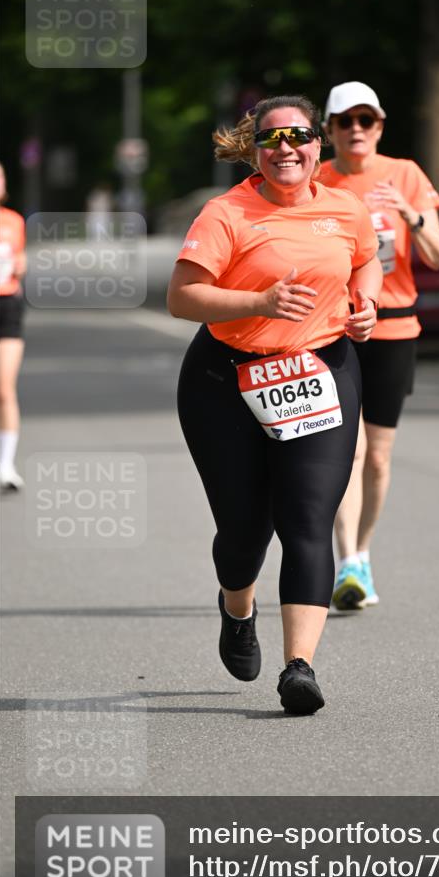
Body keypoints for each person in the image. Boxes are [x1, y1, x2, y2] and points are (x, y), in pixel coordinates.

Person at [167, 95, 382, 715]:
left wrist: (366, 306)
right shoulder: (227, 212)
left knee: (307, 519)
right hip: (225, 379)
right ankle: (238, 608)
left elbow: (366, 261)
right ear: (255, 150)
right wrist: (259, 303)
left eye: (299, 136)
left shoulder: (345, 207)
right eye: (271, 138)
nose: (286, 148)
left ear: (318, 143)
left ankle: (299, 668)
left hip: (321, 370)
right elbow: (182, 297)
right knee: (244, 532)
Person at [318, 82, 439, 610]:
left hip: (394, 328)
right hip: (336, 330)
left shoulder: (405, 174)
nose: (356, 129)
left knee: (377, 456)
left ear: (379, 127)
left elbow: (437, 255)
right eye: (345, 121)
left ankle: (363, 555)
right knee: (346, 451)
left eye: (365, 120)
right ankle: (347, 560)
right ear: (328, 130)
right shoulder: (315, 179)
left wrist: (409, 214)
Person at [0, 161, 27, 491]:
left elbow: (20, 259)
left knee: (4, 389)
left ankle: (5, 465)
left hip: (6, 305)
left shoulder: (14, 221)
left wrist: (20, 265)